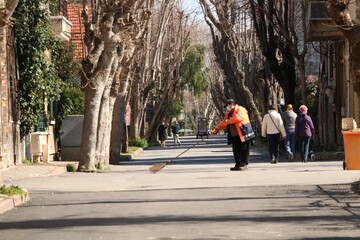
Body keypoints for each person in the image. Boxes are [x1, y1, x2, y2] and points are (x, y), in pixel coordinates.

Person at [212, 99, 255, 171]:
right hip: (234, 135)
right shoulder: (229, 114)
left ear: (232, 104)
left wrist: (227, 121)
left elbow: (238, 118)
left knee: (244, 150)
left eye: (227, 106)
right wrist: (217, 129)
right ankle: (237, 164)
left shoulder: (241, 109)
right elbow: (224, 123)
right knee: (236, 150)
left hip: (243, 133)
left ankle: (243, 164)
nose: (227, 108)